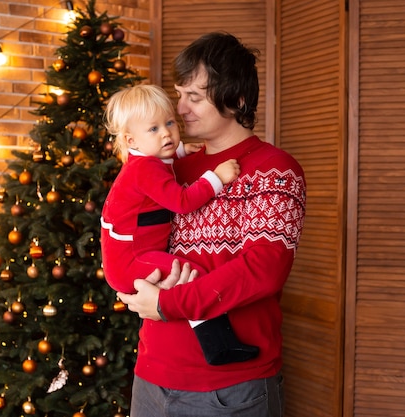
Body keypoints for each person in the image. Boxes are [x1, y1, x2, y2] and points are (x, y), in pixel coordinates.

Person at [116, 32, 306, 417]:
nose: (180, 108)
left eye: (195, 97)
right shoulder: (170, 172)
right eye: (179, 94)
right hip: (152, 377)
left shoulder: (276, 172)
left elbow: (263, 271)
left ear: (236, 100)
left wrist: (167, 303)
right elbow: (133, 239)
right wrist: (130, 288)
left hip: (230, 388)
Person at [101, 84, 259, 366]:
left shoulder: (148, 161)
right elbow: (182, 202)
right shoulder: (144, 170)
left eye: (170, 122)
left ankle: (217, 342)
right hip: (131, 261)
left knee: (184, 276)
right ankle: (218, 345)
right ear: (130, 140)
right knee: (190, 272)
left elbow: (164, 161)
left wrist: (183, 150)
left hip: (129, 256)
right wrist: (216, 177)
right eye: (153, 129)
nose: (166, 133)